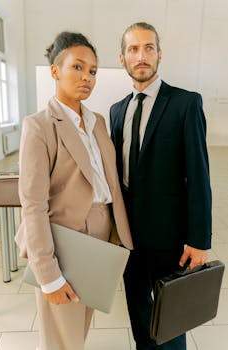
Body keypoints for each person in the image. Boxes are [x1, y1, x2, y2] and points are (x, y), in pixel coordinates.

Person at [15, 31, 133, 350]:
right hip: (64, 240)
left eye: (93, 71)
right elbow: (33, 205)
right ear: (55, 71)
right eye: (77, 67)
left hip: (100, 238)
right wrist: (48, 274)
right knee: (60, 341)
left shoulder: (97, 122)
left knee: (77, 333)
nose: (87, 77)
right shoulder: (40, 126)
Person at [110, 22, 212, 350]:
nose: (142, 56)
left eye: (149, 48)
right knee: (139, 313)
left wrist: (198, 239)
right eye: (133, 49)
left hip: (170, 239)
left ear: (159, 54)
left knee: (170, 322)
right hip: (128, 239)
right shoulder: (116, 111)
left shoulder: (185, 104)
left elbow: (199, 176)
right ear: (122, 58)